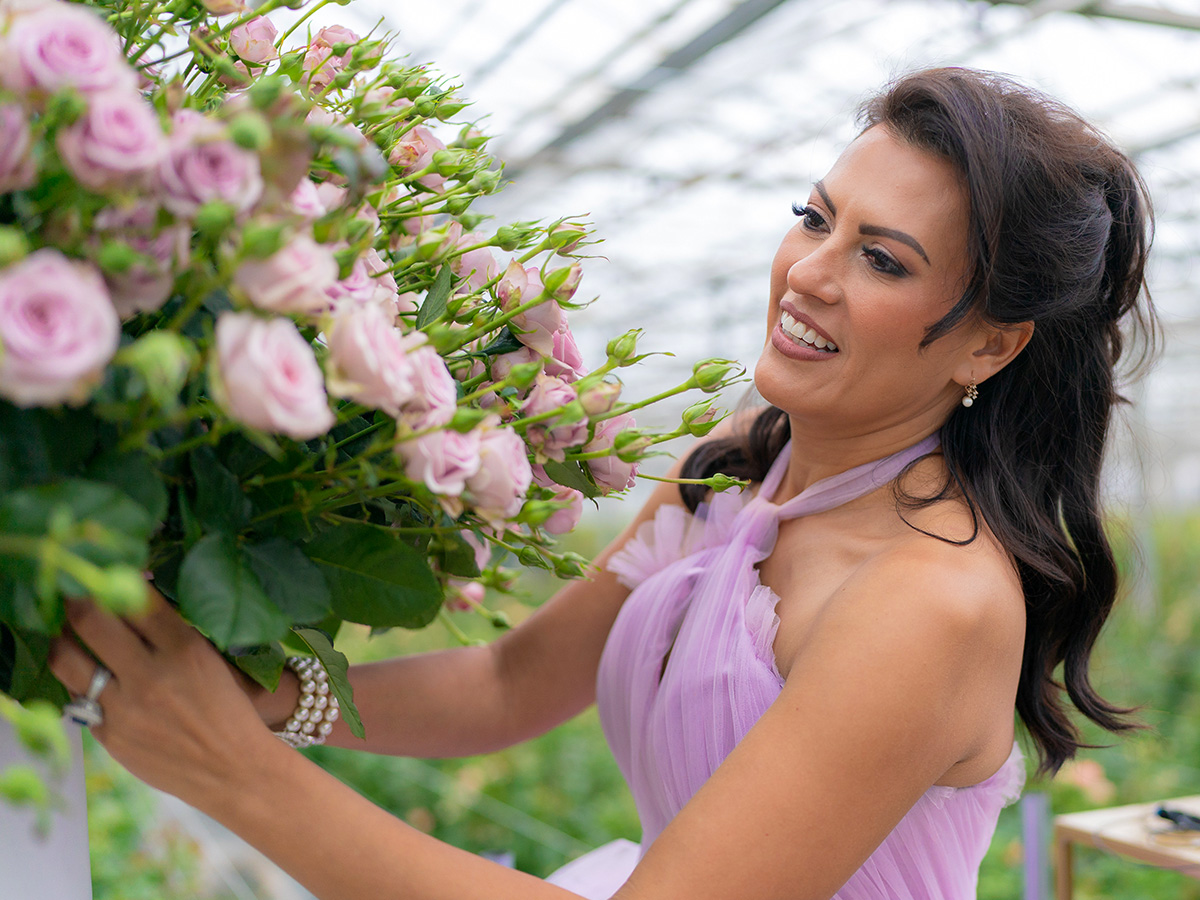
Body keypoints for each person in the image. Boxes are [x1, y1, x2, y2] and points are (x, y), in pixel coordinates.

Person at [49, 66, 1154, 900]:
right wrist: (276, 697)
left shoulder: (929, 600)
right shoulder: (738, 465)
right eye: (816, 219)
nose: (808, 273)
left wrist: (233, 769)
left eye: (884, 259)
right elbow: (512, 683)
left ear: (989, 348)